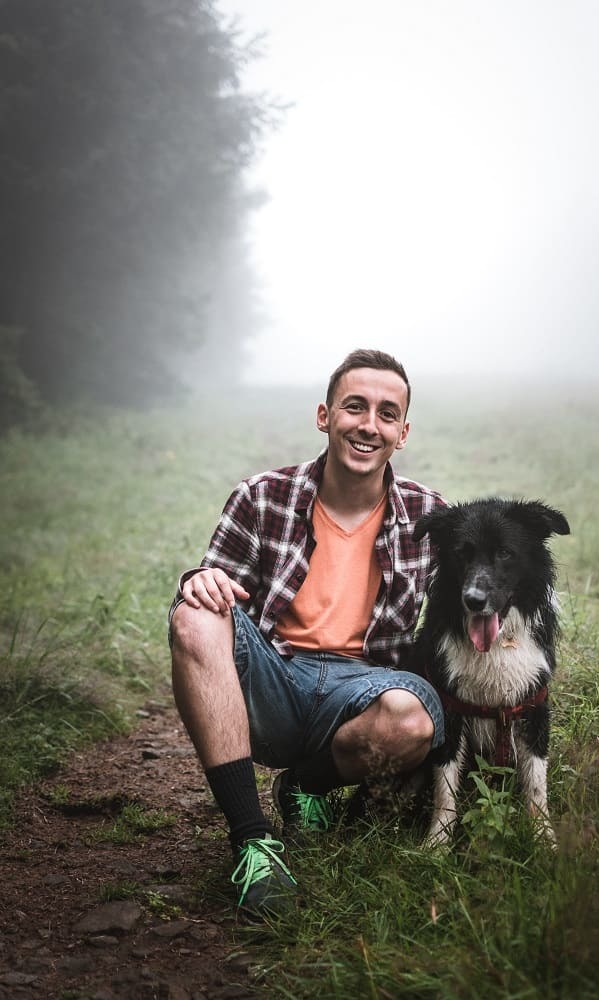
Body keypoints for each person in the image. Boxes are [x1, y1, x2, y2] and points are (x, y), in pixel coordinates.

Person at [168, 349, 445, 916]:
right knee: (193, 616)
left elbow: (466, 613)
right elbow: (218, 594)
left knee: (412, 719)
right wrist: (202, 584)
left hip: (360, 690)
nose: (369, 425)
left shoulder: (429, 515)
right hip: (272, 678)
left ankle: (306, 785)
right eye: (354, 407)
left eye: (387, 413)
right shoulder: (263, 495)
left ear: (403, 431)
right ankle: (253, 839)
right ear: (325, 416)